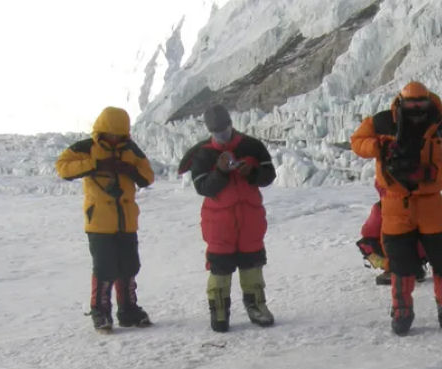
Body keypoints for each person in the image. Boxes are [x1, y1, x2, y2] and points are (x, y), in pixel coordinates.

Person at [351, 81, 442, 336]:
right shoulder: (383, 123)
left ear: (429, 101)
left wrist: (431, 172)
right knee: (400, 262)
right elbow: (357, 142)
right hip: (396, 202)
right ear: (402, 102)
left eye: (421, 103)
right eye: (412, 103)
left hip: (430, 201)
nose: (417, 108)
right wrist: (379, 146)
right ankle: (402, 312)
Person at [55, 107, 155, 333]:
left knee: (129, 266)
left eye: (119, 134)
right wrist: (94, 165)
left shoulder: (131, 150)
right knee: (105, 268)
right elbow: (63, 167)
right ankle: (100, 312)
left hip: (126, 221)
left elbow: (147, 176)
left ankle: (128, 311)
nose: (114, 138)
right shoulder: (86, 148)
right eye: (111, 134)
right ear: (101, 130)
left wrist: (129, 169)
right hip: (99, 222)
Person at [178, 105, 276, 332]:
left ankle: (256, 306)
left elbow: (268, 175)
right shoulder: (203, 153)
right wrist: (221, 172)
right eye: (217, 132)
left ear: (230, 124)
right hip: (219, 222)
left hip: (250, 218)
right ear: (210, 131)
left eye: (224, 130)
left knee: (252, 265)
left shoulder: (251, 146)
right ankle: (219, 312)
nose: (221, 136)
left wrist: (251, 173)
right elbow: (203, 187)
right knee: (220, 268)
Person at [356, 185, 428, 285]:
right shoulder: (421, 202)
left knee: (365, 243)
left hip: (396, 251)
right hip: (421, 253)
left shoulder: (380, 207)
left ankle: (390, 269)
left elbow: (367, 231)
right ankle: (416, 268)